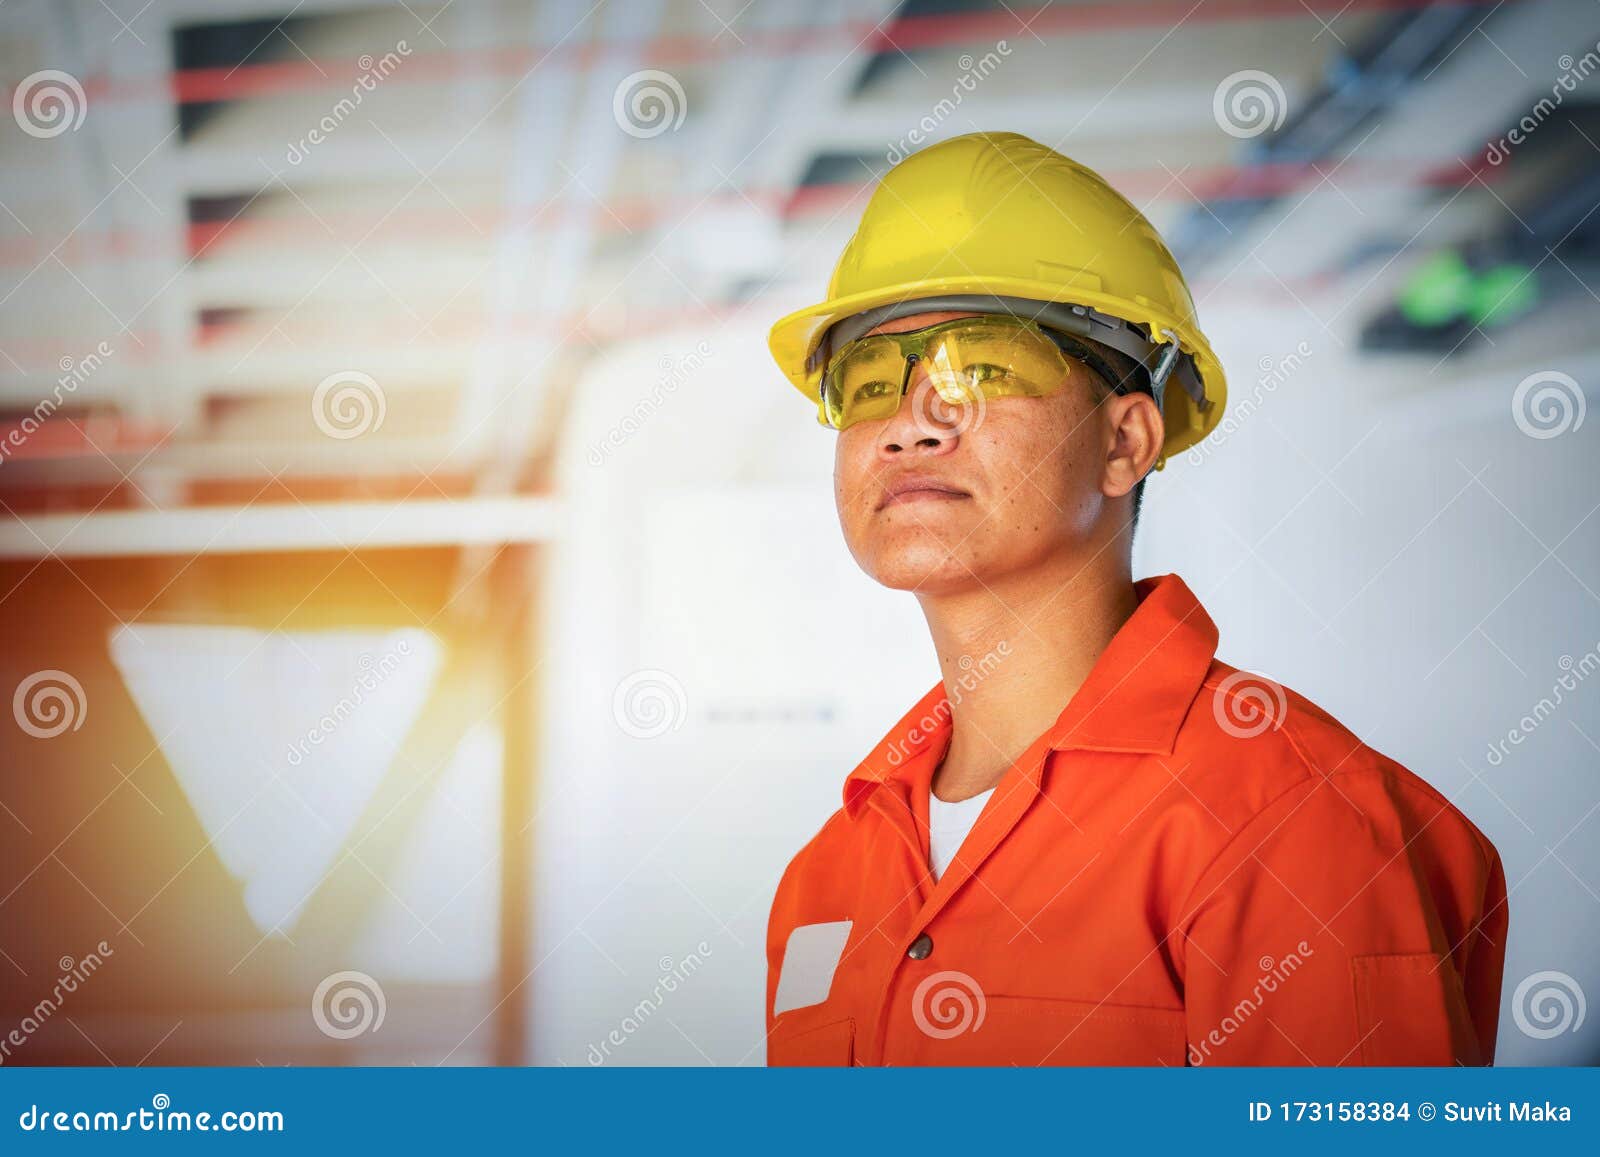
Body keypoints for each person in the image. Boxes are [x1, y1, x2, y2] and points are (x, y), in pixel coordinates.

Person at [761, 132, 1507, 1067]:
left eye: (981, 368)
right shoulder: (829, 875)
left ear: (1124, 442)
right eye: (869, 382)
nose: (911, 422)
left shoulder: (1294, 826)